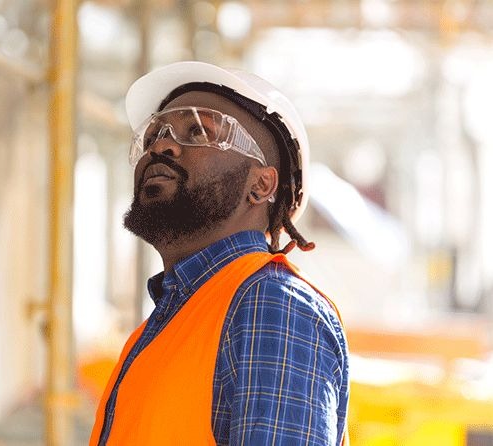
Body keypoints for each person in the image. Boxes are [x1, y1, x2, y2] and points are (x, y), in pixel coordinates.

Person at [90, 61, 349, 446]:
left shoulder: (270, 307)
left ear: (261, 185)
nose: (161, 145)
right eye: (154, 137)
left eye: (198, 131)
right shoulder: (164, 326)